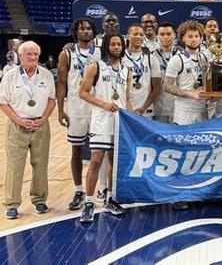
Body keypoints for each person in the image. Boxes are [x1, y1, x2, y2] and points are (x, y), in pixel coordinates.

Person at [79, 32, 132, 223]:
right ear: (107, 46)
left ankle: (110, 199)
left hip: (119, 121)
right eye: (113, 44)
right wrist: (103, 104)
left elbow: (127, 97)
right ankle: (89, 202)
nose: (116, 47)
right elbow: (83, 93)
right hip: (101, 120)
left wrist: (131, 119)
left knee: (114, 162)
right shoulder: (96, 66)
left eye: (119, 44)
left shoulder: (127, 69)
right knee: (96, 160)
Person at [0, 41, 56, 219]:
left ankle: (39, 200)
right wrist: (20, 120)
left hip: (40, 125)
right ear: (21, 56)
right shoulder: (10, 75)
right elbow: (3, 102)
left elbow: (51, 100)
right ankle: (11, 203)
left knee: (41, 165)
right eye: (29, 54)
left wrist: (43, 119)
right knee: (15, 166)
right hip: (17, 126)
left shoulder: (46, 75)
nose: (33, 57)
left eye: (35, 54)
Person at [57, 18, 101, 211]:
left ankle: (103, 190)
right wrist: (60, 110)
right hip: (76, 108)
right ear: (76, 32)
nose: (85, 31)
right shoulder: (67, 53)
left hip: (97, 107)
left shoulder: (100, 51)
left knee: (101, 152)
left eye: (89, 28)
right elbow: (62, 83)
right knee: (76, 151)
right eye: (82, 29)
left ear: (93, 31)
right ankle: (78, 190)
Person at [163, 20, 209, 125]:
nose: (194, 39)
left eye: (197, 36)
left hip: (203, 109)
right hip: (184, 110)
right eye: (190, 36)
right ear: (183, 38)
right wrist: (190, 94)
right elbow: (166, 86)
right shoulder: (177, 59)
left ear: (201, 38)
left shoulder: (205, 58)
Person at [123, 23, 161, 119]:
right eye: (135, 34)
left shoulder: (151, 58)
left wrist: (143, 108)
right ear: (127, 36)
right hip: (124, 108)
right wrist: (128, 108)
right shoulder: (120, 58)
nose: (138, 37)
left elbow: (156, 88)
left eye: (141, 35)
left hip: (145, 110)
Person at [153, 22, 181, 123]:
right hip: (159, 108)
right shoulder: (151, 57)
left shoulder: (183, 55)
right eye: (162, 34)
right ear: (157, 37)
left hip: (179, 107)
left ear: (174, 35)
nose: (165, 37)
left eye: (169, 34)